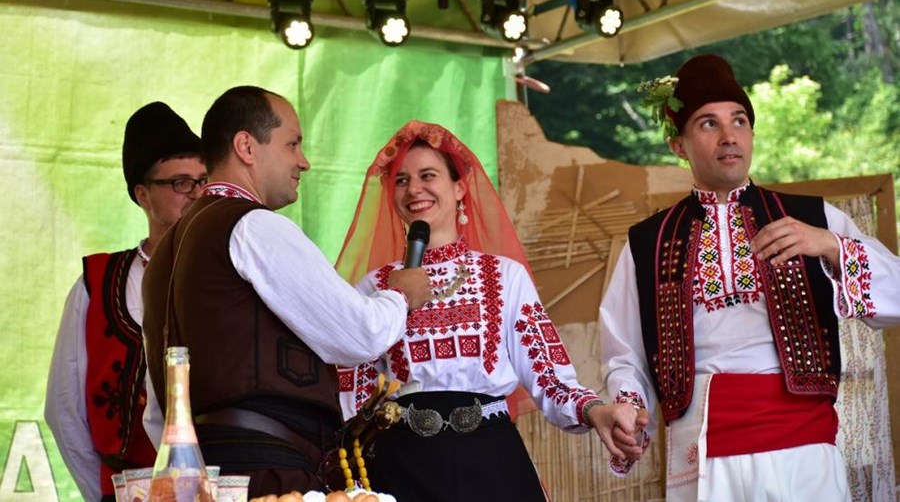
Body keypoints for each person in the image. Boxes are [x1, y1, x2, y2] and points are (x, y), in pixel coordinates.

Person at [598, 53, 900, 501]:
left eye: (739, 121)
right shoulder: (649, 242)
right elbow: (624, 352)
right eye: (708, 123)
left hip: (803, 448)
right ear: (678, 146)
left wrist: (830, 246)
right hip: (702, 453)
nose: (729, 136)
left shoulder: (812, 219)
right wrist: (628, 405)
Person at [140, 85, 431, 498]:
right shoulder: (253, 226)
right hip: (270, 473)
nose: (303, 161)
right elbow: (360, 333)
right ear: (246, 146)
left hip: (199, 476)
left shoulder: (161, 259)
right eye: (292, 144)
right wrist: (400, 295)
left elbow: (157, 411)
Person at [335, 120, 640, 502]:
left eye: (428, 175)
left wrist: (594, 410)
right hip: (404, 465)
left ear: (459, 187)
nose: (413, 189)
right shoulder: (375, 288)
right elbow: (353, 395)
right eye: (401, 180)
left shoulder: (504, 276)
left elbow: (548, 375)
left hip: (492, 462)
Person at [45, 102, 206, 501]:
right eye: (181, 183)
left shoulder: (231, 275)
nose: (196, 194)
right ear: (143, 194)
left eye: (203, 181)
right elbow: (64, 408)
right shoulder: (98, 283)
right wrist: (108, 493)